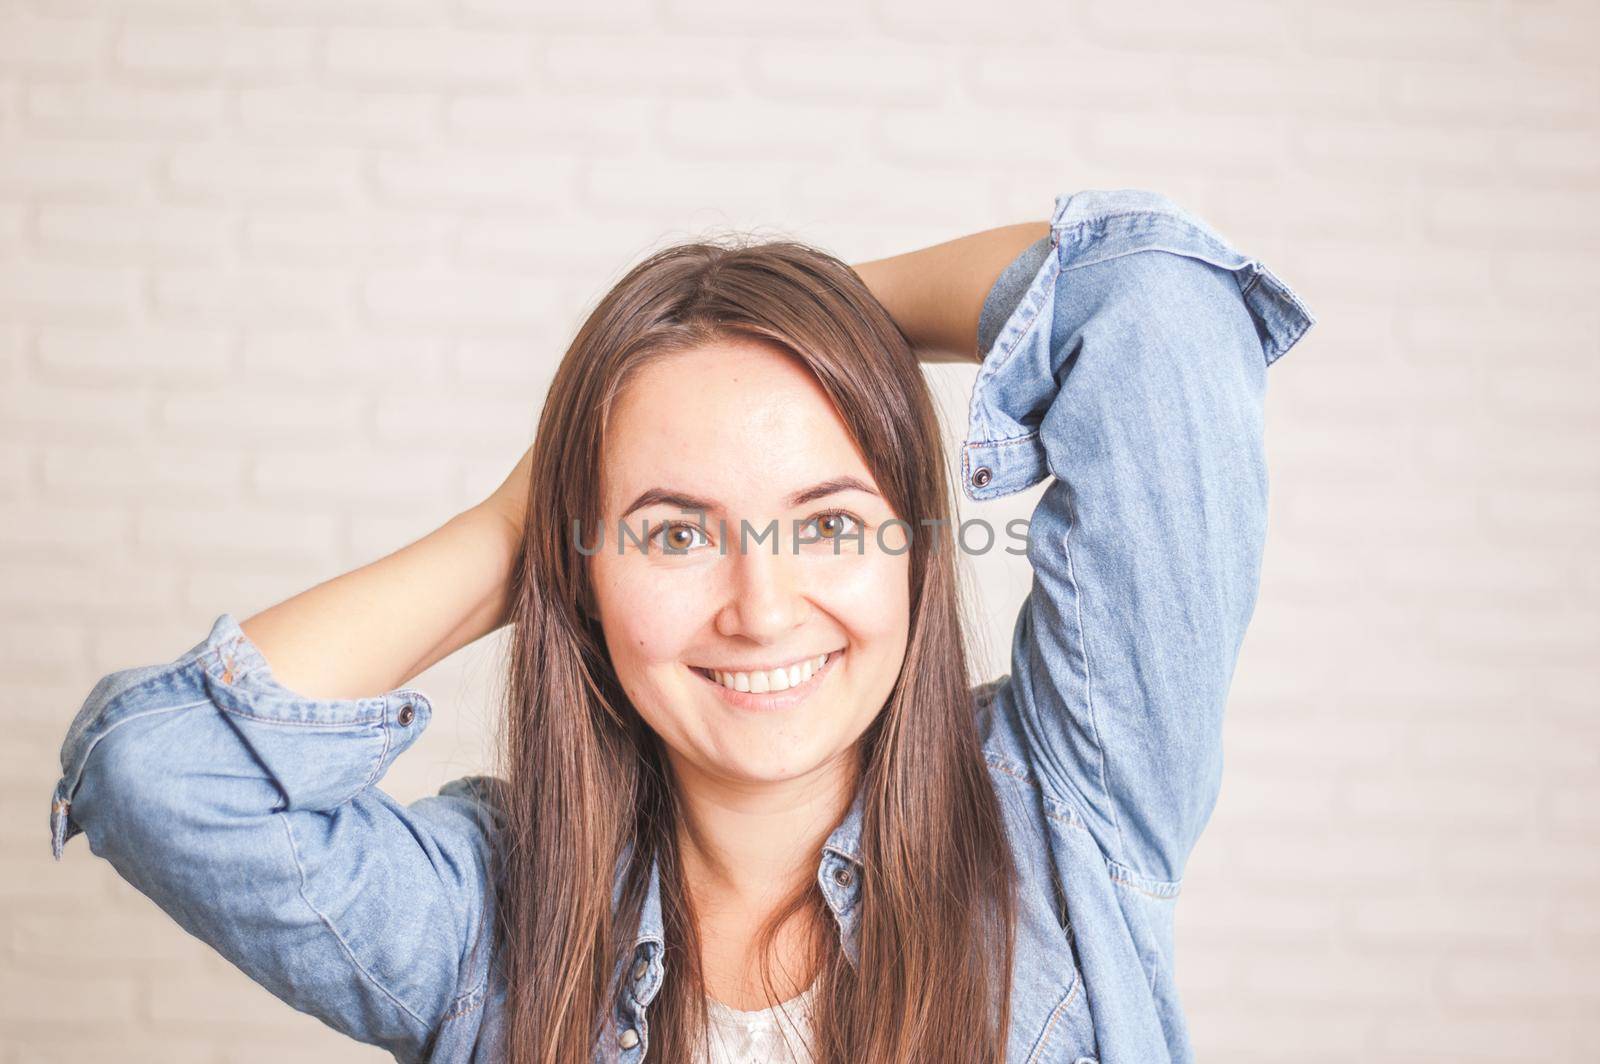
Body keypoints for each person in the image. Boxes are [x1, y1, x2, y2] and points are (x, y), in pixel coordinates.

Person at [48, 187, 1316, 1064]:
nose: (760, 607)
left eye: (826, 524)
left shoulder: (1064, 809)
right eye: (670, 531)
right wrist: (520, 519)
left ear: (918, 558)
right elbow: (159, 772)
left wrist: (810, 311)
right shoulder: (491, 917)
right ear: (585, 574)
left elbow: (1158, 303)